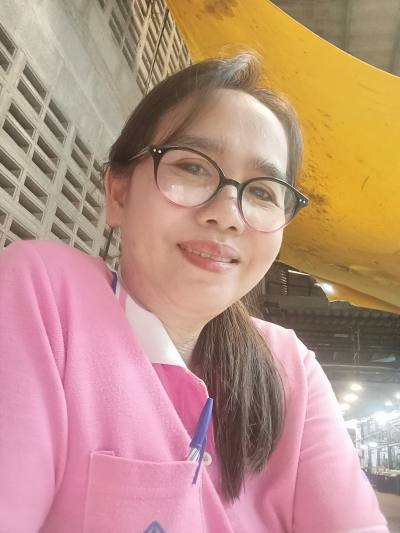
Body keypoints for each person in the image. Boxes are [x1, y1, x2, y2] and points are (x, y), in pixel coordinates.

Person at [0, 53, 388, 532]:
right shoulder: (46, 296)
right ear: (118, 193)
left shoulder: (291, 370)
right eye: (192, 167)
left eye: (262, 192)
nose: (228, 214)